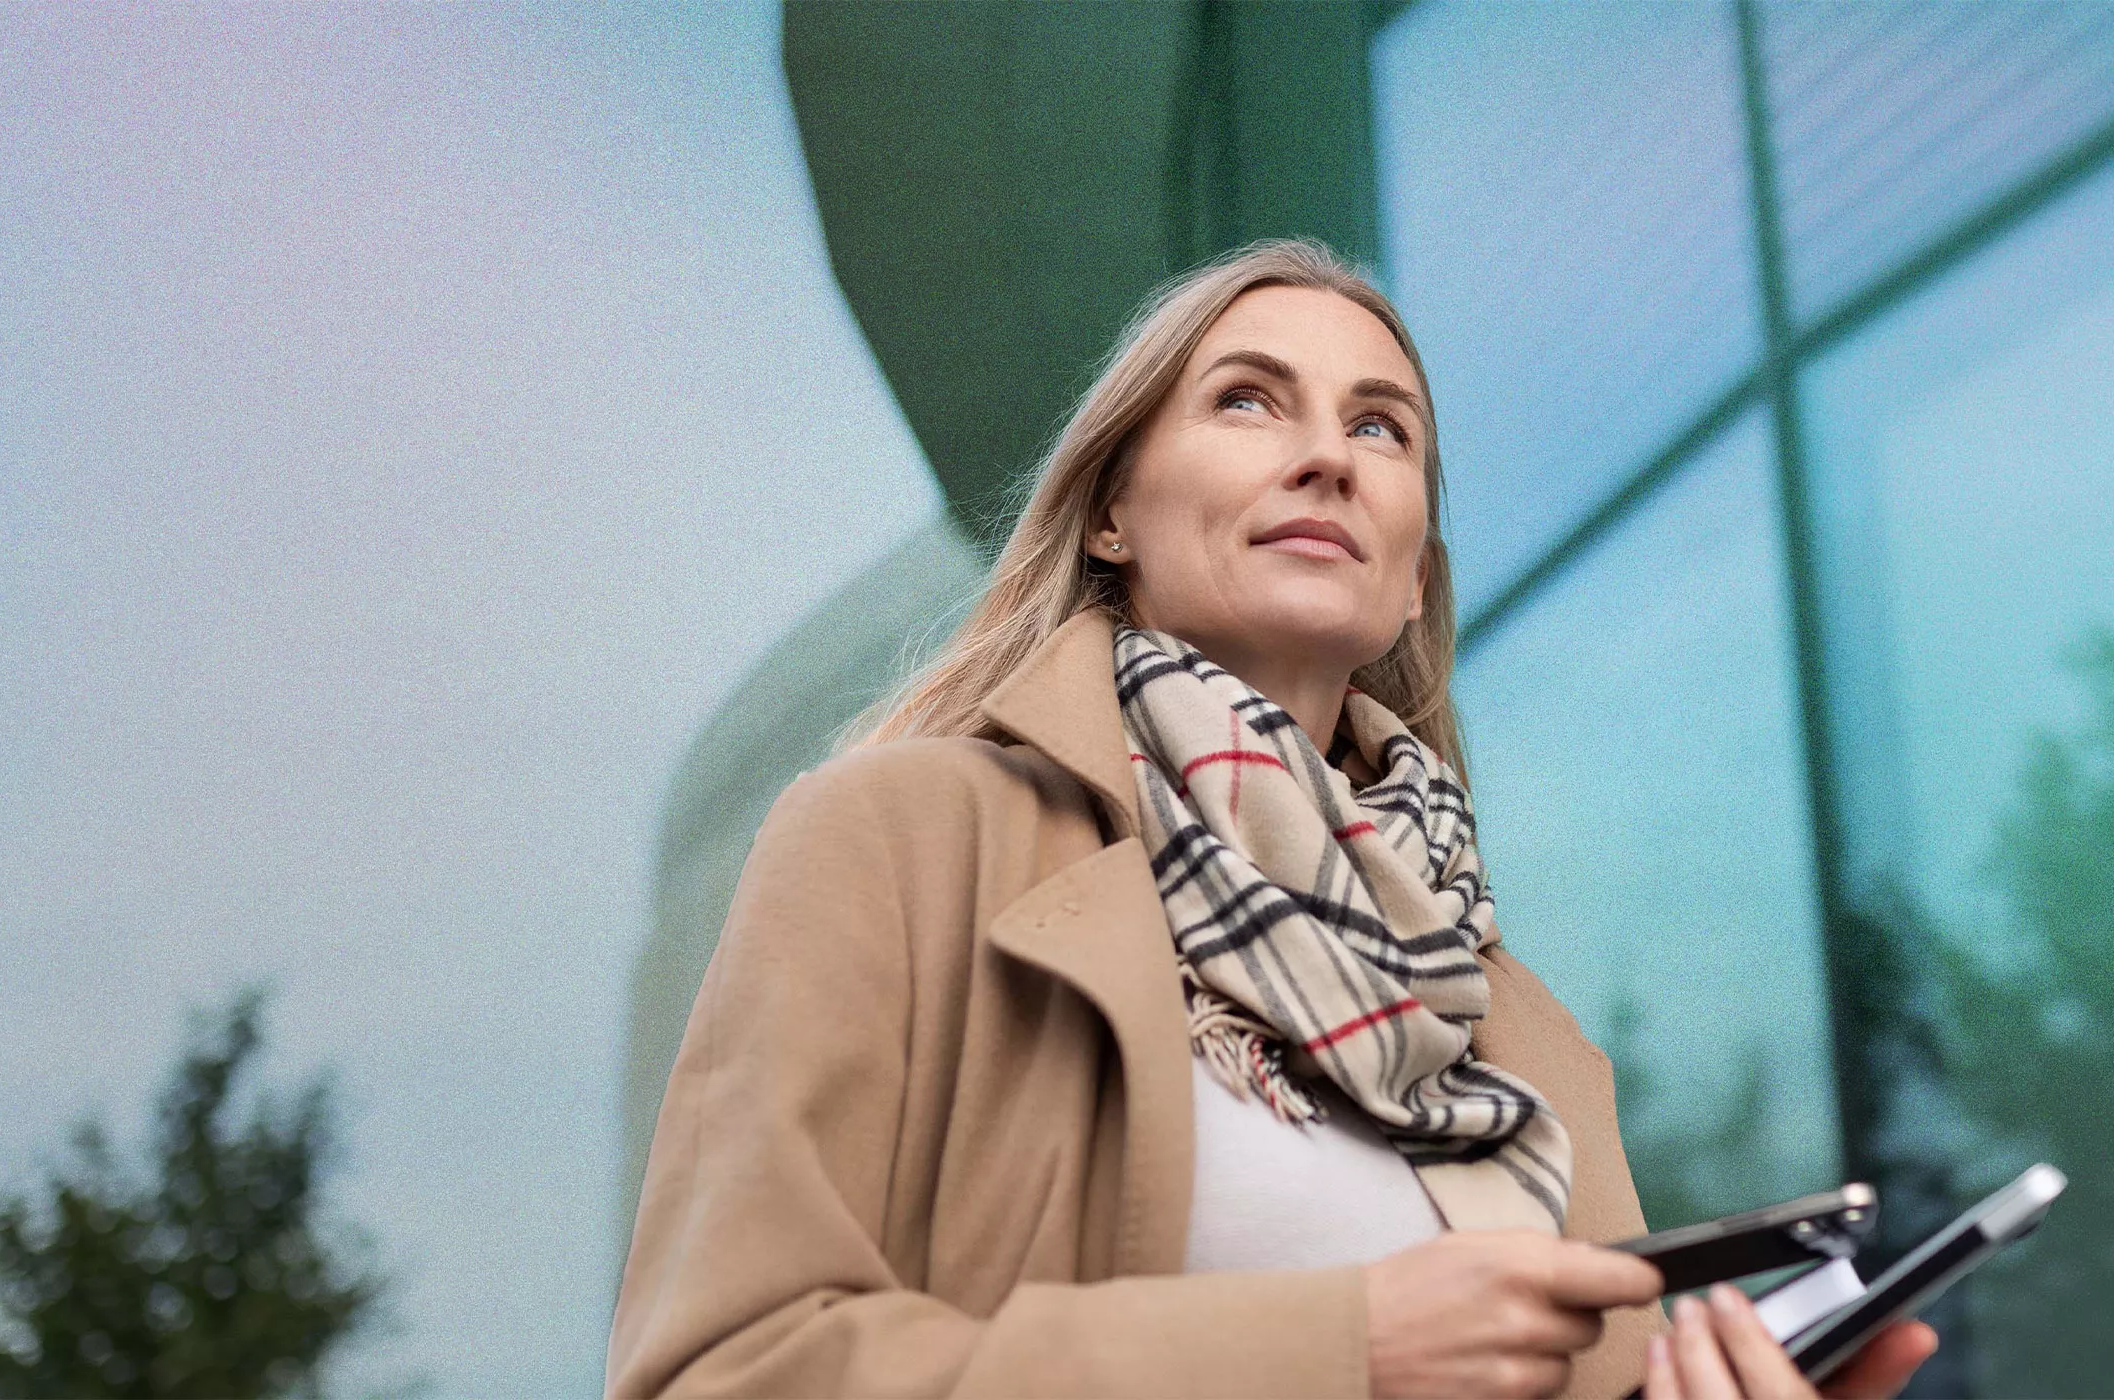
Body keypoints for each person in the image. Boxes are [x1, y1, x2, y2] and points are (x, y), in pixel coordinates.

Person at [607, 240, 1937, 1398]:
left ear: (1414, 579)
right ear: (1115, 510)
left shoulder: (1513, 1026)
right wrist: (1338, 1350)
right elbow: (725, 1372)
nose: (1324, 457)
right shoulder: (903, 838)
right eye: (1248, 401)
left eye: (1380, 428)